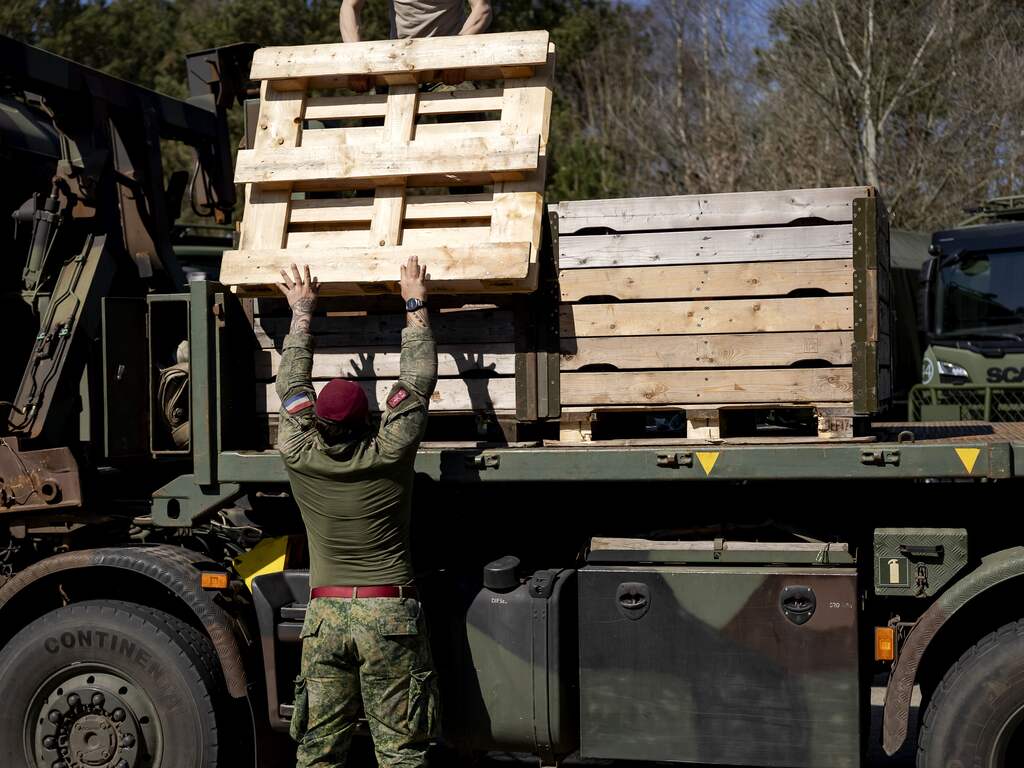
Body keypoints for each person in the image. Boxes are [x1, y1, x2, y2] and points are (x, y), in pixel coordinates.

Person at [275, 256, 439, 768]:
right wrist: (414, 300)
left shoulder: (298, 452)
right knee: (400, 752)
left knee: (319, 750)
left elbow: (291, 386)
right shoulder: (389, 453)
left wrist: (302, 312)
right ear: (372, 417)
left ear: (316, 420)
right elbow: (416, 381)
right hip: (387, 613)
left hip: (324, 619)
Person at [340, 0, 492, 44]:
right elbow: (350, 6)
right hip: (399, 60)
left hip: (447, 63)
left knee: (462, 113)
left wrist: (457, 55)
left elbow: (482, 8)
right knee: (377, 119)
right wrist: (356, 62)